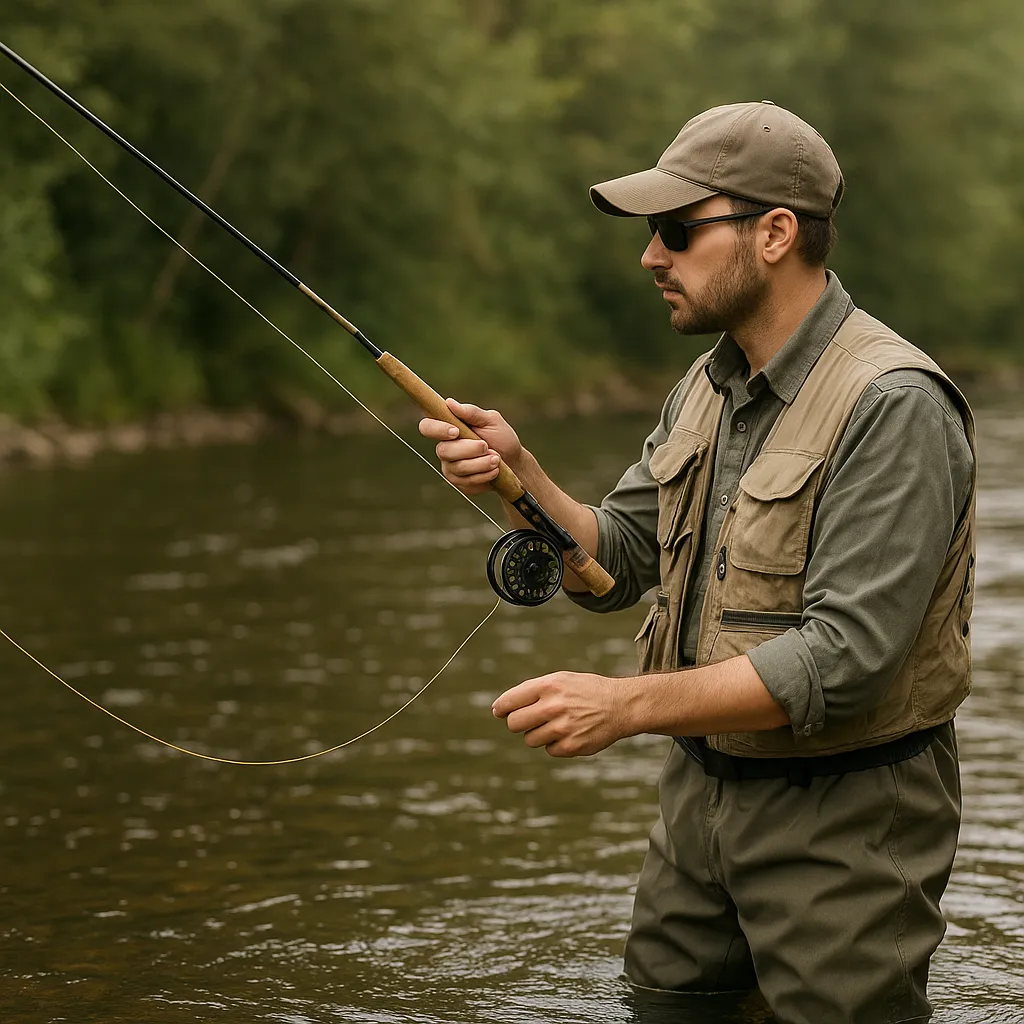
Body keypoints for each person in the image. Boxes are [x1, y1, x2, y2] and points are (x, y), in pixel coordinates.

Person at [418, 101, 976, 1024]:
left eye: (677, 231)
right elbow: (621, 558)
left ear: (776, 233)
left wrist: (626, 704)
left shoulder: (894, 403)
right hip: (698, 808)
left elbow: (847, 658)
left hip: (846, 820)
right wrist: (520, 478)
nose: (650, 256)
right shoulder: (706, 384)